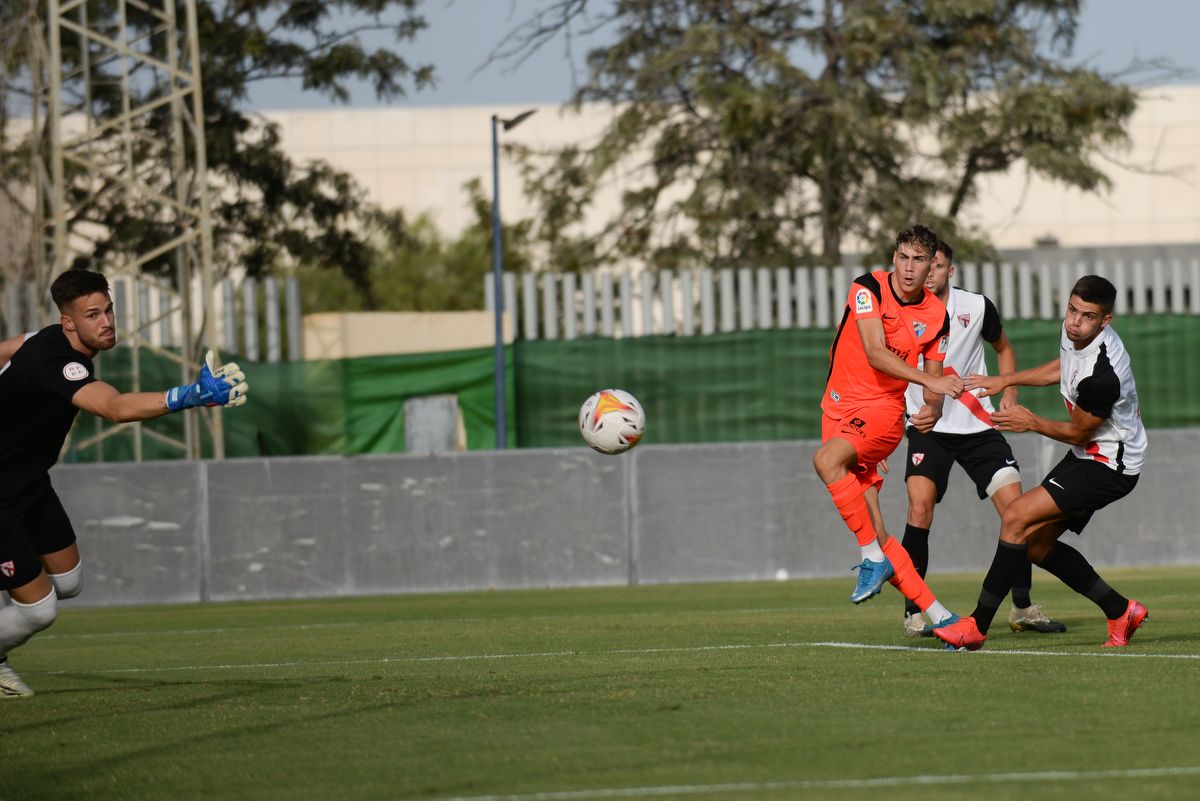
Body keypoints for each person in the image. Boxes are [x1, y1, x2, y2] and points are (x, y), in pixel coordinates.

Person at [0, 269, 249, 697]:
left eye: (108, 309)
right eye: (92, 314)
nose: (107, 322)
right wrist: (188, 395)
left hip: (29, 484)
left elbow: (9, 347)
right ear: (69, 323)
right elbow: (114, 407)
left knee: (70, 583)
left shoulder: (39, 339)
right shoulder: (58, 363)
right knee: (40, 611)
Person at [935, 275, 1148, 650]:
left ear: (1106, 321)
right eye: (1072, 310)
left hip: (1109, 464)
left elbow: (1080, 433)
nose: (1074, 322)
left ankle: (976, 626)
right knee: (1034, 545)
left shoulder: (1103, 376)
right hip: (1091, 454)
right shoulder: (1076, 334)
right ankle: (1120, 610)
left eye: (1087, 316)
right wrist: (1007, 379)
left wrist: (1030, 421)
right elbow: (1062, 367)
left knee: (1015, 516)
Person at [899, 241, 1065, 637]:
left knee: (1019, 512)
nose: (930, 272)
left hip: (977, 426)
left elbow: (1003, 349)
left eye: (938, 266)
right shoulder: (903, 311)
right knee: (920, 509)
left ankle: (1022, 608)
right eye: (925, 265)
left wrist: (1009, 392)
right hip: (927, 426)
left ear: (950, 271)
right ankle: (914, 613)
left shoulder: (976, 307)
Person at [812, 224, 963, 629]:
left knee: (827, 461)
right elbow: (876, 353)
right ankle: (942, 617)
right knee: (878, 530)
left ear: (933, 266)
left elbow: (934, 384)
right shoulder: (867, 289)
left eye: (919, 260)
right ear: (893, 257)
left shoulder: (937, 317)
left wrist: (932, 407)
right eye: (903, 257)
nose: (909, 268)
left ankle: (870, 558)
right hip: (837, 411)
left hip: (881, 413)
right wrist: (932, 385)